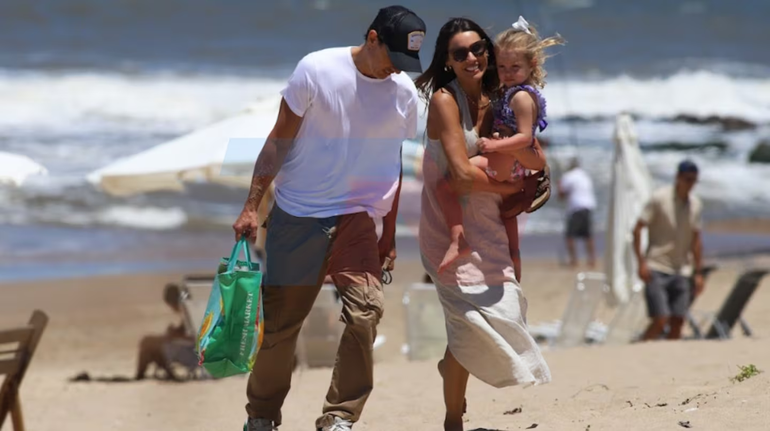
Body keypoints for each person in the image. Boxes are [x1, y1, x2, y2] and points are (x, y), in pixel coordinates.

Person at [231, 6, 426, 431]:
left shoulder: (404, 93)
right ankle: (261, 415)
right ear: (372, 38)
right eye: (393, 57)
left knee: (365, 314)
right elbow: (279, 139)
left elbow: (392, 163)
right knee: (281, 327)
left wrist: (389, 234)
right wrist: (251, 205)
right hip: (299, 215)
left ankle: (340, 416)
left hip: (359, 218)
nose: (397, 69)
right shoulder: (316, 70)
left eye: (406, 61)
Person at [414, 17, 552, 431]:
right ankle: (453, 419)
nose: (471, 58)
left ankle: (451, 366)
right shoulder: (445, 100)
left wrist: (535, 174)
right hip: (448, 226)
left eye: (478, 49)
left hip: (489, 220)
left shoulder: (503, 96)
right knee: (468, 324)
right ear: (448, 61)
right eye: (460, 53)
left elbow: (534, 155)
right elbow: (458, 176)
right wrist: (512, 188)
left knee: (504, 310)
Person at [434, 16, 563, 280]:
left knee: (444, 186)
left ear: (531, 64)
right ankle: (515, 261)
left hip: (505, 163)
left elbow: (525, 139)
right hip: (512, 165)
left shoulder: (521, 97)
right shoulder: (510, 92)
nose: (507, 72)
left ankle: (457, 238)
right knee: (507, 217)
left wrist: (495, 144)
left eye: (515, 67)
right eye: (502, 66)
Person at [633, 159, 704, 341]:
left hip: (682, 269)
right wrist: (641, 263)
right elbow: (637, 228)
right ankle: (640, 348)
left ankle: (669, 353)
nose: (691, 184)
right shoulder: (659, 199)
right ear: (678, 177)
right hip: (656, 266)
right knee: (660, 318)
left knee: (678, 320)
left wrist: (698, 272)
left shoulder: (695, 204)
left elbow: (696, 239)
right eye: (688, 179)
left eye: (694, 180)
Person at [135, 283, 195, 381]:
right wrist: (174, 332)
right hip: (187, 349)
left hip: (191, 353)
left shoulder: (190, 314)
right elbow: (184, 332)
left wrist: (173, 335)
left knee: (147, 342)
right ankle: (141, 376)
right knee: (148, 345)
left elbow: (194, 338)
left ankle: (140, 376)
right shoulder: (189, 313)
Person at [558, 157, 597, 267]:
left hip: (576, 208)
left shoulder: (568, 176)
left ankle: (574, 260)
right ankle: (592, 259)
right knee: (588, 235)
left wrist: (559, 185)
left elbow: (561, 195)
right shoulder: (585, 175)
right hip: (588, 206)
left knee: (570, 235)